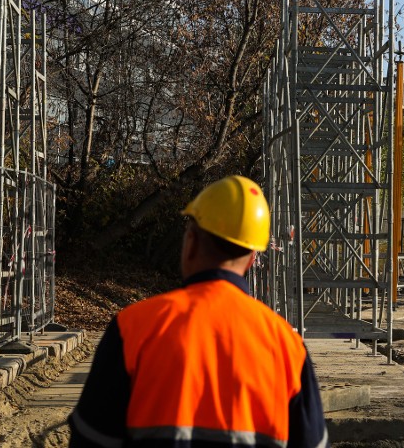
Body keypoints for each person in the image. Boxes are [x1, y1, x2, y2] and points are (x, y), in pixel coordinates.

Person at [69, 175, 329, 448]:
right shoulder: (287, 346)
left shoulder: (133, 328)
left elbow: (91, 440)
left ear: (191, 241)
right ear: (253, 258)